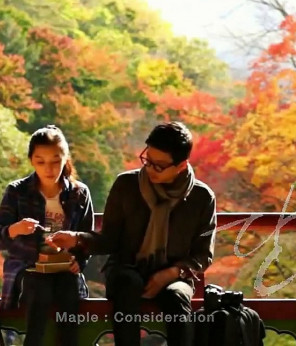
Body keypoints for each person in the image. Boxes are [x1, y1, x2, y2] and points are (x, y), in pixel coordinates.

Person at [47, 121, 217, 346]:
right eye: (148, 160)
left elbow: (202, 255)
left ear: (181, 166)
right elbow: (109, 239)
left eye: (160, 165)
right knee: (128, 284)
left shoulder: (201, 198)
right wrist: (78, 238)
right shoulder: (127, 185)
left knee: (177, 297)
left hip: (174, 274)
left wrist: (168, 274)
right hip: (126, 268)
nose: (150, 169)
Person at [0, 125, 94, 346]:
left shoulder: (79, 193)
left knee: (69, 293)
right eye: (40, 161)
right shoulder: (17, 192)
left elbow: (88, 238)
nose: (49, 168)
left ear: (65, 158)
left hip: (64, 268)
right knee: (39, 289)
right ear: (32, 161)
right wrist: (15, 229)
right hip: (28, 269)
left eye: (55, 161)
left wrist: (79, 260)